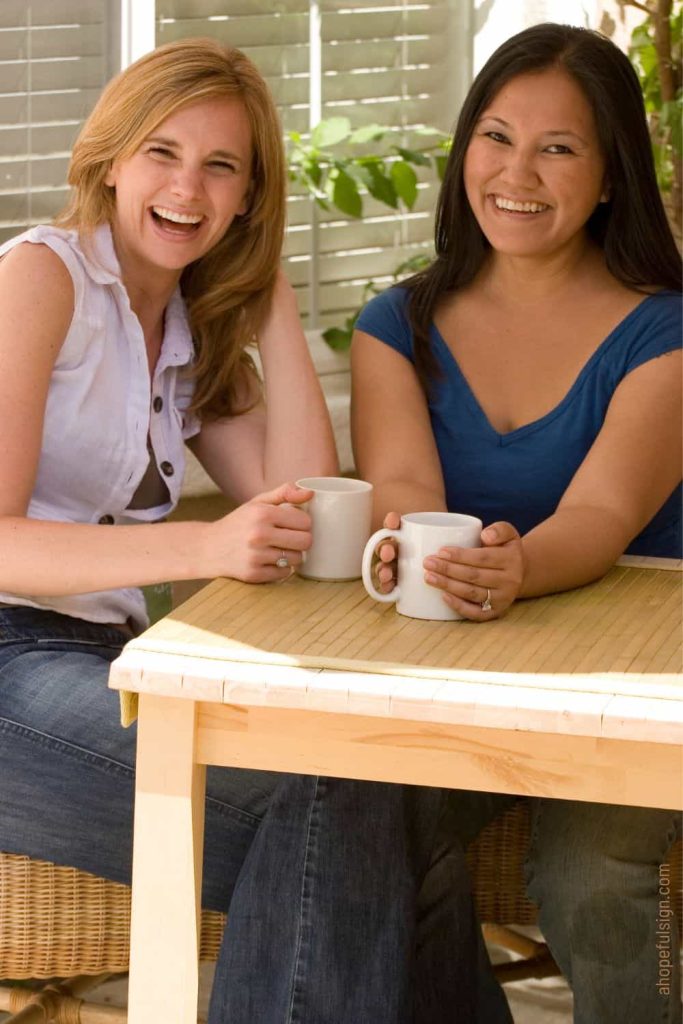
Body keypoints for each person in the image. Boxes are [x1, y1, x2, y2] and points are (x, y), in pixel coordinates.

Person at [0, 37, 505, 1024]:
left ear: (247, 196)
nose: (188, 186)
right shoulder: (39, 279)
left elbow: (314, 520)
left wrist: (269, 293)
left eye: (221, 166)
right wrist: (203, 544)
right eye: (163, 152)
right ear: (109, 157)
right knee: (365, 817)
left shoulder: (187, 330)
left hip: (109, 666)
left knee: (372, 800)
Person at [351, 22, 682, 1024]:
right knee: (368, 835)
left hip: (639, 679)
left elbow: (603, 512)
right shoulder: (392, 324)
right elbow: (400, 487)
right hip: (464, 674)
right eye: (495, 138)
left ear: (610, 174)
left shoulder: (662, 328)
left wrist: (515, 568)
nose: (515, 173)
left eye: (557, 147)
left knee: (586, 872)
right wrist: (436, 556)